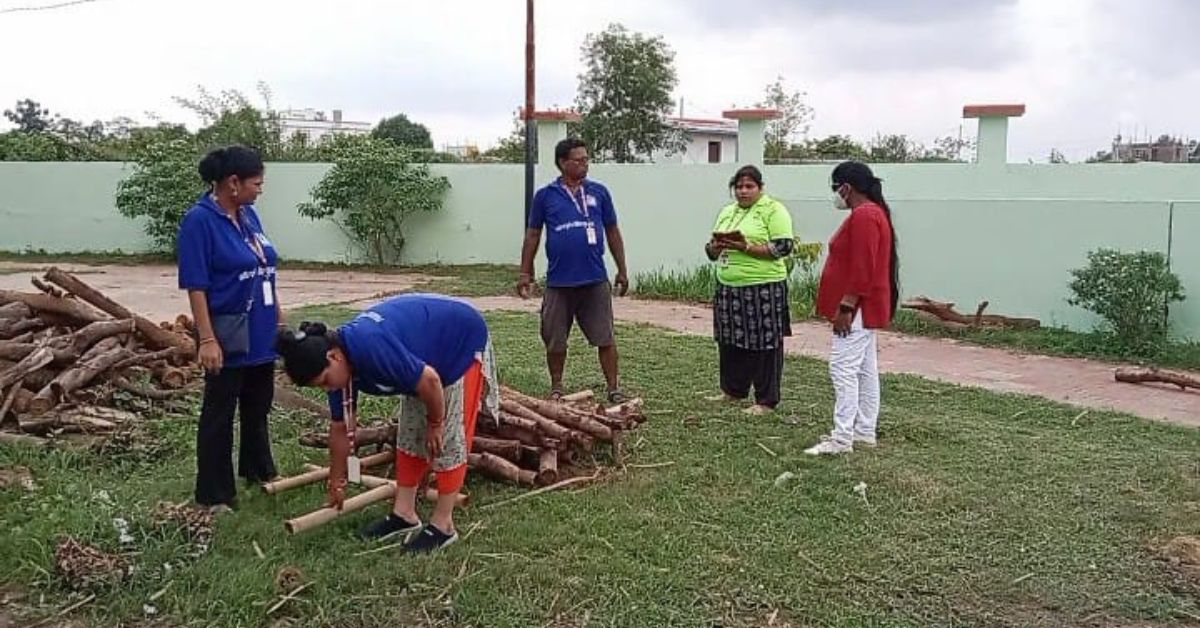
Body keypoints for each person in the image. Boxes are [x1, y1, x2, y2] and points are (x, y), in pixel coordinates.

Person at [275, 293, 500, 553]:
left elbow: (430, 381)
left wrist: (436, 423)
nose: (328, 389)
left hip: (457, 341)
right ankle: (404, 514)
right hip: (422, 354)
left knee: (447, 439)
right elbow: (340, 427)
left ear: (334, 357)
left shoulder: (370, 347)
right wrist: (336, 481)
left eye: (325, 381)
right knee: (411, 432)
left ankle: (444, 526)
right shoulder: (337, 366)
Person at [178, 145, 282, 513]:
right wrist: (207, 339)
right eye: (257, 182)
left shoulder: (249, 216)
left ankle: (258, 471)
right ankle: (214, 493)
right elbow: (196, 284)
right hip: (227, 332)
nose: (260, 189)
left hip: (261, 329)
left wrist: (277, 314)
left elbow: (264, 266)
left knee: (258, 405)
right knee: (219, 412)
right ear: (232, 183)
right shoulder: (199, 221)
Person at [517, 137, 631, 403]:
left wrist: (622, 269)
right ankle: (557, 386)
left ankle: (613, 388)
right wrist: (525, 273)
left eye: (586, 159)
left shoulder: (599, 193)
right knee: (555, 339)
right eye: (578, 160)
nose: (585, 164)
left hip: (594, 279)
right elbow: (533, 235)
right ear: (562, 163)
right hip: (559, 282)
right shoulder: (545, 197)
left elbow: (613, 232)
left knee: (605, 337)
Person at [805, 161, 900, 455]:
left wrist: (847, 305)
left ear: (846, 187)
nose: (835, 195)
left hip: (857, 309)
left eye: (835, 188)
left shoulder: (864, 216)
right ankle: (863, 431)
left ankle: (842, 437)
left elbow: (863, 266)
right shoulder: (873, 214)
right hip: (864, 306)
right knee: (864, 370)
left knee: (842, 368)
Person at [704, 165, 795, 415]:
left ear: (760, 188)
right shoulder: (727, 212)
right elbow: (710, 250)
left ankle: (766, 400)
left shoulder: (773, 210)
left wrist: (745, 247)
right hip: (729, 287)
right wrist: (716, 246)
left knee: (764, 343)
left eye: (749, 186)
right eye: (739, 187)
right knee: (730, 341)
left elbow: (782, 248)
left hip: (762, 288)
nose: (743, 192)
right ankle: (733, 390)